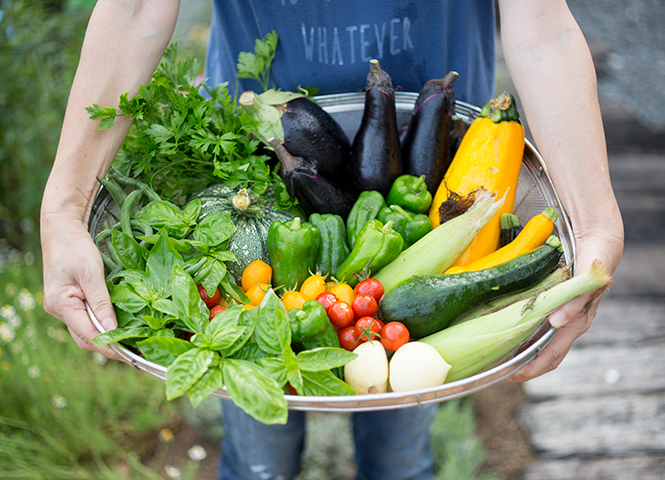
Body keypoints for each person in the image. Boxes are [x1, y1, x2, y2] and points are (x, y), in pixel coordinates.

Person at [40, 1, 625, 479]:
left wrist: (594, 219)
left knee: (402, 426)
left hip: (440, 166)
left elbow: (542, 30)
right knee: (258, 442)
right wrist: (63, 209)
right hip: (256, 159)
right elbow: (137, 7)